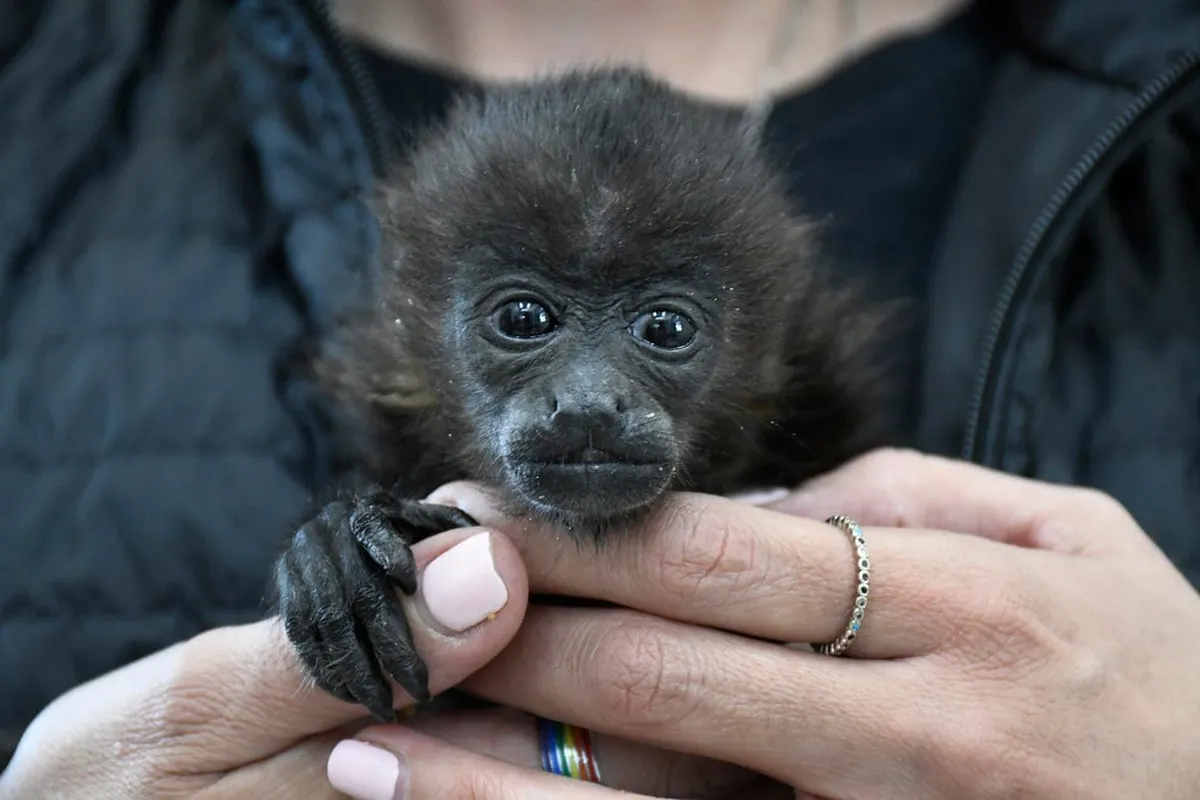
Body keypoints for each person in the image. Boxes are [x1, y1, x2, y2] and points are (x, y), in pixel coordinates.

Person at [1, 0, 1198, 796]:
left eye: (664, 332)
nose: (586, 401)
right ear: (417, 311)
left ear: (769, 341)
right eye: (523, 323)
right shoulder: (44, 83)